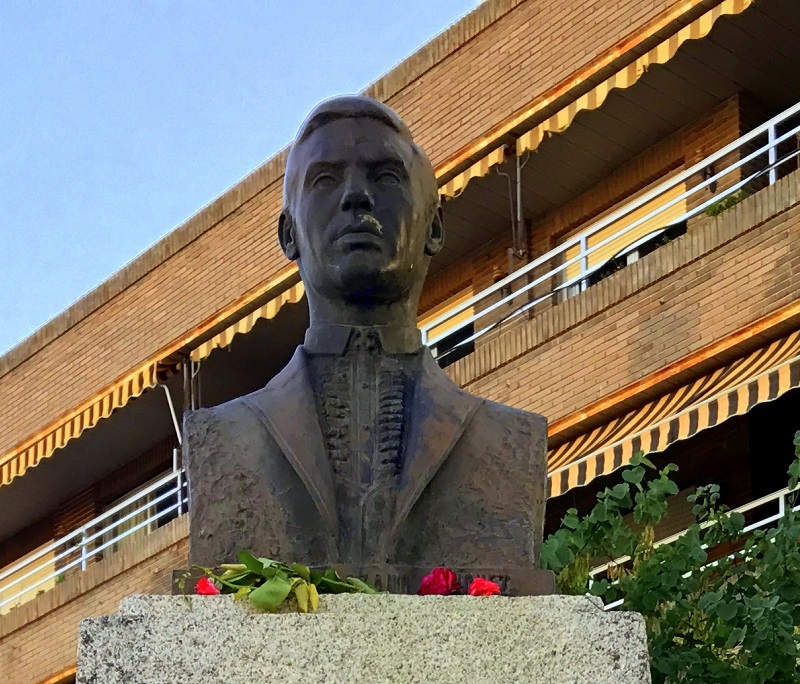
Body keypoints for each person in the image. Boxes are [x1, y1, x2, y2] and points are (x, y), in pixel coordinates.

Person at [184, 95, 551, 589]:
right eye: (325, 180)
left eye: (386, 177)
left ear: (434, 226)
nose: (356, 196)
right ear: (288, 235)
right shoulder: (226, 438)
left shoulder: (509, 440)